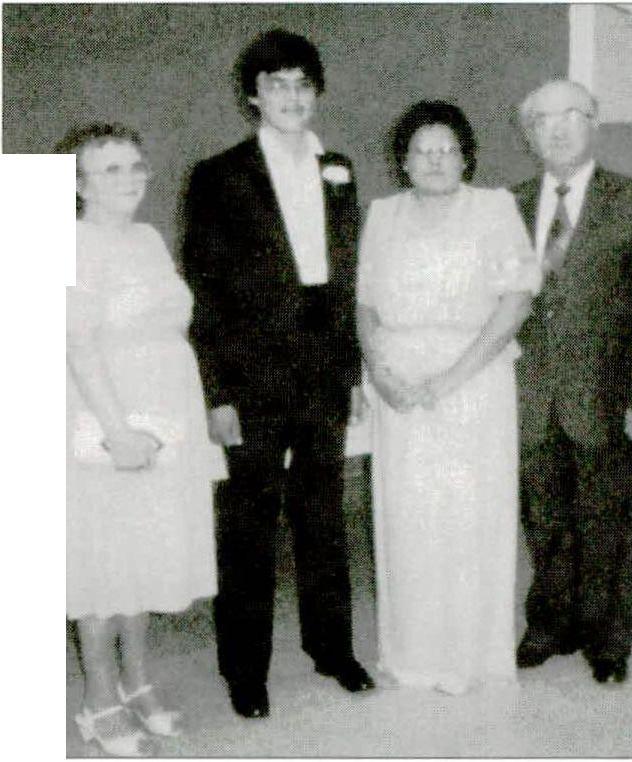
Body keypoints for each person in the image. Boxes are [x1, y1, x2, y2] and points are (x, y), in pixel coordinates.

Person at [181, 29, 374, 719]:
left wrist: (352, 373)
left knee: (324, 518)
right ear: (253, 96)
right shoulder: (218, 175)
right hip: (251, 377)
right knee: (249, 527)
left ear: (315, 93)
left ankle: (332, 649)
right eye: (276, 85)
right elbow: (205, 293)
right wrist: (218, 394)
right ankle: (245, 672)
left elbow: (345, 280)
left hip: (324, 371)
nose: (291, 97)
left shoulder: (339, 167)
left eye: (302, 84)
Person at [357, 100, 541, 695]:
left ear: (466, 158)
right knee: (409, 519)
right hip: (398, 385)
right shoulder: (382, 214)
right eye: (422, 150)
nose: (435, 161)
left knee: (467, 516)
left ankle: (466, 657)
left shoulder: (495, 207)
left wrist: (451, 378)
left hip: (475, 380)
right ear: (404, 161)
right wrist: (380, 372)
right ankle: (413, 655)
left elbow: (516, 301)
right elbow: (365, 304)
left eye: (447, 150)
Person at [64, 124, 225, 756]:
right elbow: (78, 346)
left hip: (165, 415)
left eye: (136, 165)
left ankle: (137, 683)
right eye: (110, 169)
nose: (129, 178)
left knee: (144, 555)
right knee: (104, 561)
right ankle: (98, 699)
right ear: (79, 184)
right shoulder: (70, 242)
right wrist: (117, 431)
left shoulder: (148, 238)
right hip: (107, 417)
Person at [514, 80, 632, 684]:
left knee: (605, 519)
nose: (557, 129)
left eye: (571, 115)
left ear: (594, 123)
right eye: (543, 120)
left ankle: (608, 642)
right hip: (529, 394)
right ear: (530, 134)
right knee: (543, 518)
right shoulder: (508, 204)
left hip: (604, 395)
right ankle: (550, 625)